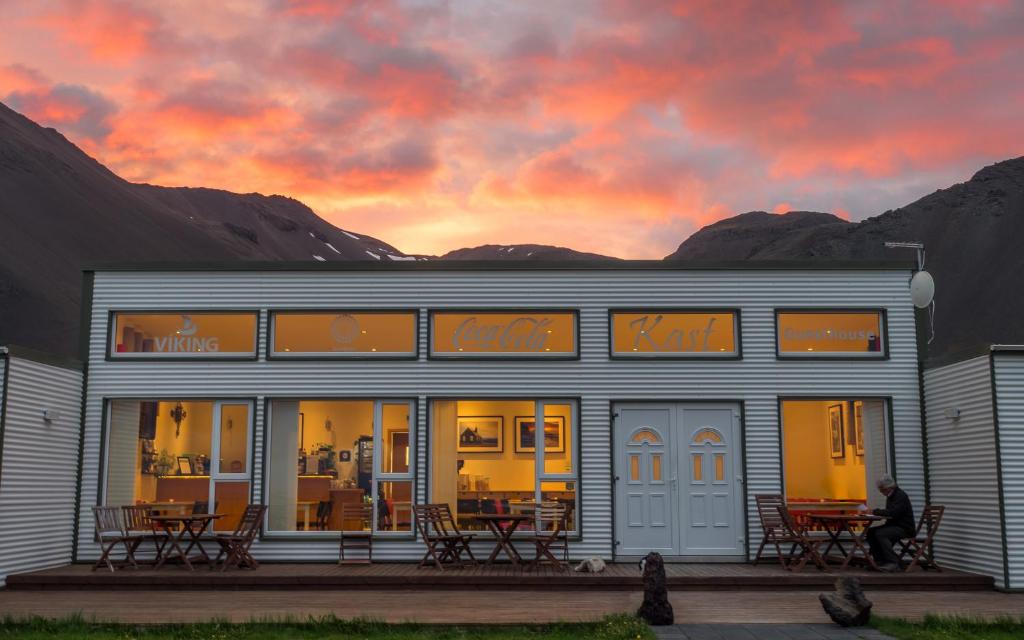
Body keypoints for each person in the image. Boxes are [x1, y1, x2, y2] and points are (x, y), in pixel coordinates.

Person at [866, 474, 915, 572]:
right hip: (895, 526)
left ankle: (892, 562)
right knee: (871, 532)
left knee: (881, 533)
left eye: (882, 489)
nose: (881, 492)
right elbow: (891, 512)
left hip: (904, 528)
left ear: (889, 487)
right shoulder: (891, 495)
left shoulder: (900, 496)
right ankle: (880, 560)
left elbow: (893, 513)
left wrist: (875, 511)